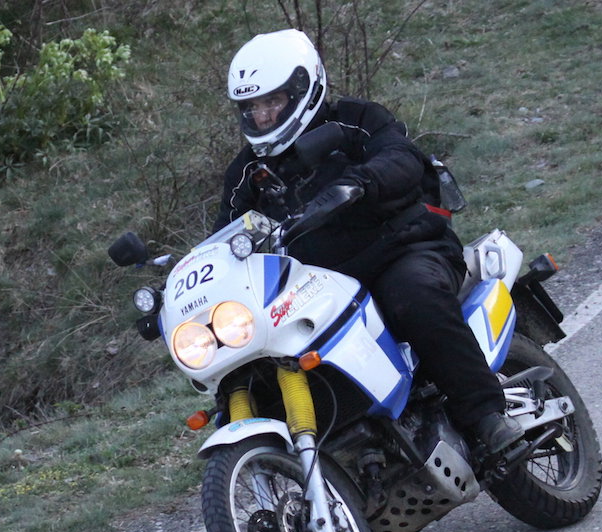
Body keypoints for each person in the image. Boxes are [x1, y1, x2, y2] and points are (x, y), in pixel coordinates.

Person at [212, 29, 524, 467]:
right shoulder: (247, 172)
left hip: (401, 251)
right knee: (256, 366)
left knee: (413, 295)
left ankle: (487, 416)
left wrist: (358, 183)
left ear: (304, 89)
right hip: (318, 289)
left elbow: (401, 157)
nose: (262, 116)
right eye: (252, 108)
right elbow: (224, 238)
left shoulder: (355, 120)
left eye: (273, 102)